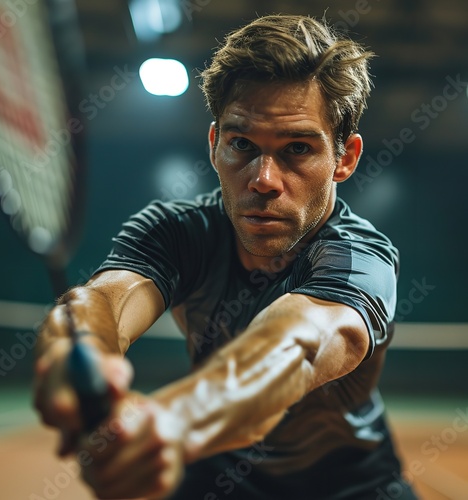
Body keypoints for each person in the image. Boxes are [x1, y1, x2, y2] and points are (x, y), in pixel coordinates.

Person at [33, 14, 418, 500]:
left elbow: (299, 345)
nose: (264, 179)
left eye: (297, 148)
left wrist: (174, 419)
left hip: (353, 485)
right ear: (215, 146)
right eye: (242, 144)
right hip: (216, 475)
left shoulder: (359, 256)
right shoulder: (176, 232)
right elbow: (105, 302)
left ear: (345, 158)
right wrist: (76, 347)